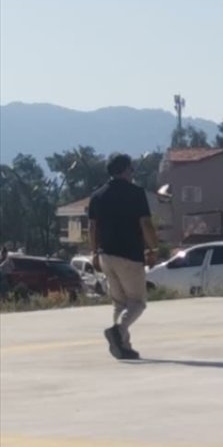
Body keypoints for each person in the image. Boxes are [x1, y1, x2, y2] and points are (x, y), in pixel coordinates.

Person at [87, 153, 160, 360]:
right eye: (131, 169)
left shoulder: (97, 195)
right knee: (137, 302)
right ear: (125, 170)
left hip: (105, 255)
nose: (133, 173)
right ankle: (118, 331)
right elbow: (145, 223)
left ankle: (123, 346)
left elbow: (92, 228)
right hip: (129, 255)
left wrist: (94, 252)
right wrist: (153, 248)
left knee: (119, 303)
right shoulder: (135, 193)